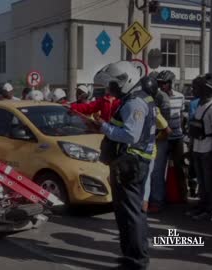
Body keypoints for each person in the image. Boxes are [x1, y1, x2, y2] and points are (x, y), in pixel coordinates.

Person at [94, 61, 155, 270]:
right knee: (125, 212)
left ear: (125, 81)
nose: (110, 89)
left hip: (131, 165)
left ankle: (136, 260)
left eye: (113, 85)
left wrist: (103, 127)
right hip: (131, 163)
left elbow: (130, 135)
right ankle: (130, 255)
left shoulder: (134, 103)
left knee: (130, 214)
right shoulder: (136, 98)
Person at [149, 70, 186, 213]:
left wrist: (181, 132)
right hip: (162, 138)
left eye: (164, 83)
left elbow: (181, 116)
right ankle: (157, 201)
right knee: (158, 170)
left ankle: (182, 197)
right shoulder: (157, 97)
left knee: (180, 168)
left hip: (177, 137)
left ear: (171, 83)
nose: (161, 85)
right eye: (159, 83)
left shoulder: (180, 97)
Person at [188, 73, 212, 221]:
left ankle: (210, 210)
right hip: (197, 148)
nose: (195, 90)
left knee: (209, 183)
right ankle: (202, 207)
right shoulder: (201, 103)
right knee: (201, 182)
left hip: (207, 150)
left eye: (199, 87)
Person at [139, 76, 172, 212]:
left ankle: (156, 202)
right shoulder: (142, 105)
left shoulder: (157, 103)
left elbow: (167, 128)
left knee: (155, 174)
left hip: (153, 146)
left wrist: (156, 137)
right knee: (146, 177)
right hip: (144, 148)